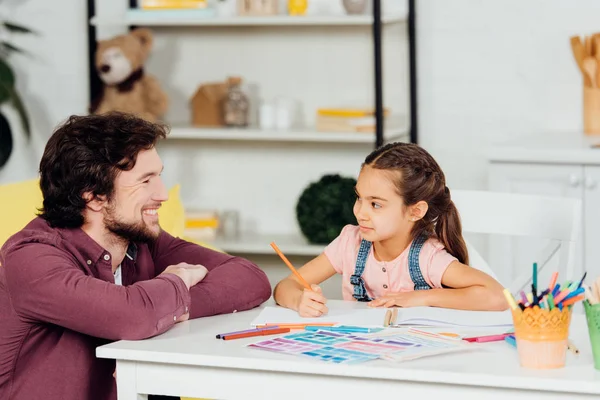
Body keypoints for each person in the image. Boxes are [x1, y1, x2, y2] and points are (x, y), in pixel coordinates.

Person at [0, 112, 271, 400]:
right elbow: (131, 315)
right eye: (146, 181)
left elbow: (251, 279)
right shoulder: (30, 258)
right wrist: (175, 283)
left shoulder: (141, 242)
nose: (163, 194)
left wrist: (171, 310)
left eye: (159, 176)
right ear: (92, 196)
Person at [274, 142, 508, 317]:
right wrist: (298, 300)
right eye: (359, 198)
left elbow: (498, 296)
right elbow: (285, 286)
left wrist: (421, 297)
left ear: (415, 211)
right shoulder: (349, 243)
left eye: (376, 204)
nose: (360, 212)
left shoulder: (427, 257)